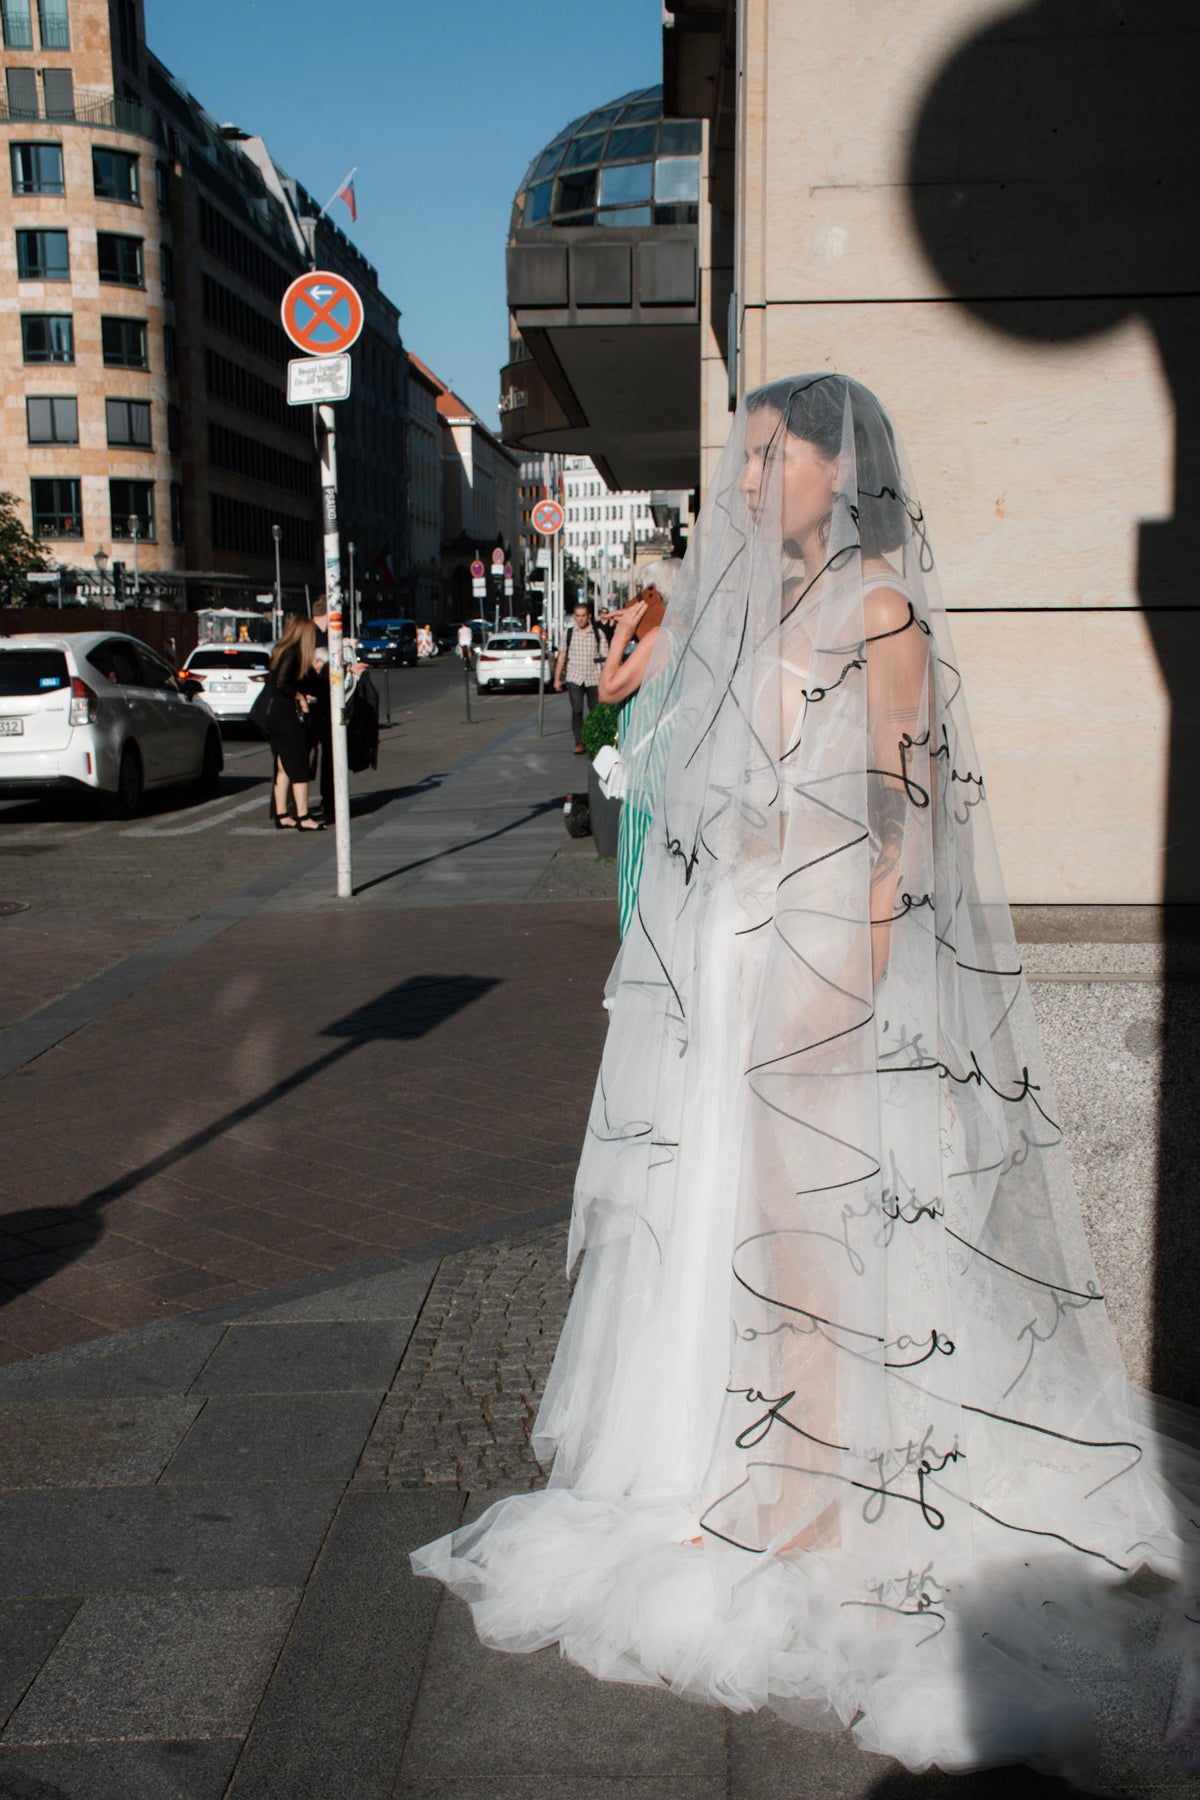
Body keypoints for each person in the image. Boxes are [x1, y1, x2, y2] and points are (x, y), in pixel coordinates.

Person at [413, 375, 1200, 1780]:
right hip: (734, 943)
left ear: (843, 468)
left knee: (805, 1228)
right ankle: (734, 1458)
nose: (752, 474)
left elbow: (918, 825)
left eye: (774, 454)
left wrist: (850, 971)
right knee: (723, 1214)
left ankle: (816, 1494)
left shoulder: (881, 610)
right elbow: (685, 767)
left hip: (821, 947)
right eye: (749, 451)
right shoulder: (763, 604)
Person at [597, 559, 682, 936]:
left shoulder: (658, 640)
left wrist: (622, 636)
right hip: (674, 773)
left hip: (646, 780)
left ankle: (632, 979)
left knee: (636, 876)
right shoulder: (688, 633)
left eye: (639, 594)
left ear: (653, 596)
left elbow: (608, 689)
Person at [265, 613, 323, 830]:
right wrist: (300, 697)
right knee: (299, 766)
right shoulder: (293, 654)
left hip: (275, 716)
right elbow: (283, 684)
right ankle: (303, 816)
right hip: (287, 717)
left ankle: (281, 814)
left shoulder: (281, 651)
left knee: (283, 766)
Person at [553, 602, 610, 752]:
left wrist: (607, 678)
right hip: (575, 677)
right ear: (574, 617)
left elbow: (606, 657)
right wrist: (557, 678)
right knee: (577, 710)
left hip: (594, 677)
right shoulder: (569, 634)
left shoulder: (598, 634)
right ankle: (579, 742)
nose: (580, 619)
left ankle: (595, 741)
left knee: (595, 711)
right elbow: (562, 656)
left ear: (589, 616)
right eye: (578, 616)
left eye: (583, 616)